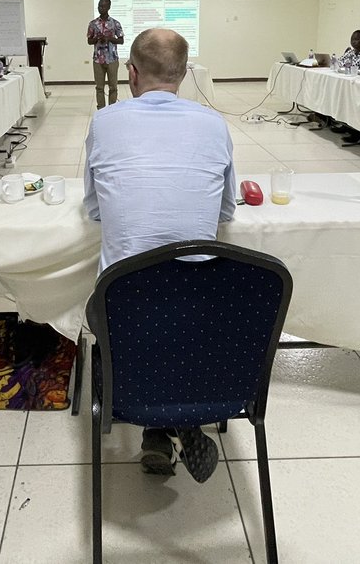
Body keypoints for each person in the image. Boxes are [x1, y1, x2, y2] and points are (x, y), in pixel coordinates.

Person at [83, 28, 236, 483]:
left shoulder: (104, 121)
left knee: (139, 303)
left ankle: (156, 425)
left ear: (130, 72)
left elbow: (94, 210)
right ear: (184, 74)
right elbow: (226, 210)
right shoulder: (214, 124)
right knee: (178, 303)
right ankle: (179, 418)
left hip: (120, 311)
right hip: (198, 308)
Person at [87, 0, 124, 109]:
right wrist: (97, 38)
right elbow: (89, 41)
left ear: (109, 7)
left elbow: (121, 40)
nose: (101, 8)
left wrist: (109, 38)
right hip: (98, 59)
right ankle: (101, 109)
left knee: (113, 87)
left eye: (103, 6)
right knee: (99, 87)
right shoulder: (93, 24)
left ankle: (112, 109)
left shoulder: (115, 23)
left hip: (112, 59)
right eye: (99, 6)